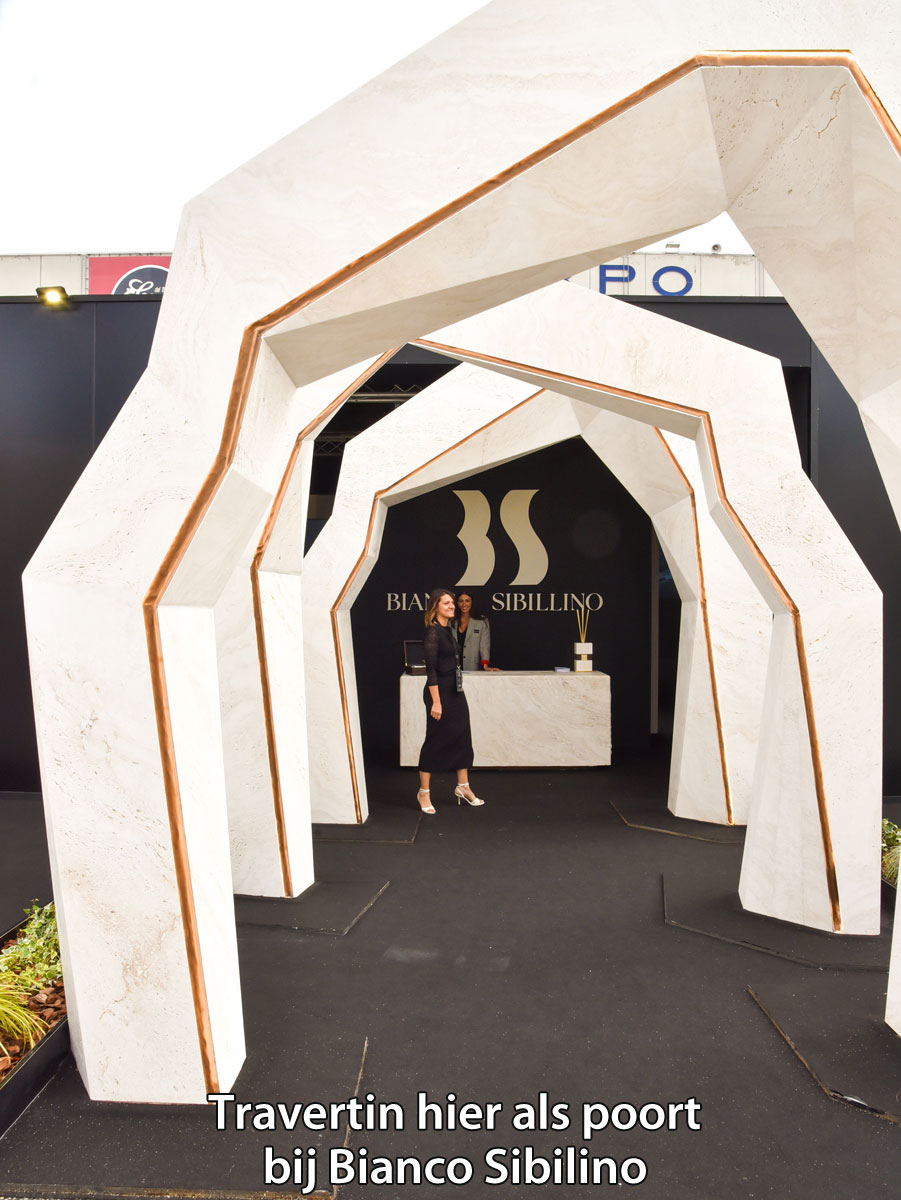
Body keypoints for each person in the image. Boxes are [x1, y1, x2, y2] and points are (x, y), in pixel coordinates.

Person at [417, 588, 485, 814]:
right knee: (435, 740)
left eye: (452, 603)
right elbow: (431, 671)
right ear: (435, 607)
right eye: (446, 603)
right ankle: (424, 792)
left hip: (455, 691)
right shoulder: (432, 632)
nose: (452, 606)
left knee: (462, 736)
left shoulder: (447, 630)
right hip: (439, 693)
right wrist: (436, 702)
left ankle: (463, 786)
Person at [453, 590, 500, 672]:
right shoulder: (451, 621)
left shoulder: (481, 621)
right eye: (461, 601)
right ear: (457, 603)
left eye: (467, 601)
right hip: (451, 667)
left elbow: (484, 646)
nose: (464, 604)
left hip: (472, 667)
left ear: (472, 603)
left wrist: (485, 666)